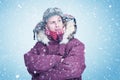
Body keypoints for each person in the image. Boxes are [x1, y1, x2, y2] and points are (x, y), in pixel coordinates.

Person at [24, 7, 86, 80]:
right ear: (46, 26)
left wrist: (41, 76)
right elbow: (30, 63)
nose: (57, 25)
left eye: (59, 20)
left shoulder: (75, 44)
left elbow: (74, 69)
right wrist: (57, 59)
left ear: (63, 22)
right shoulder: (40, 45)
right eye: (52, 22)